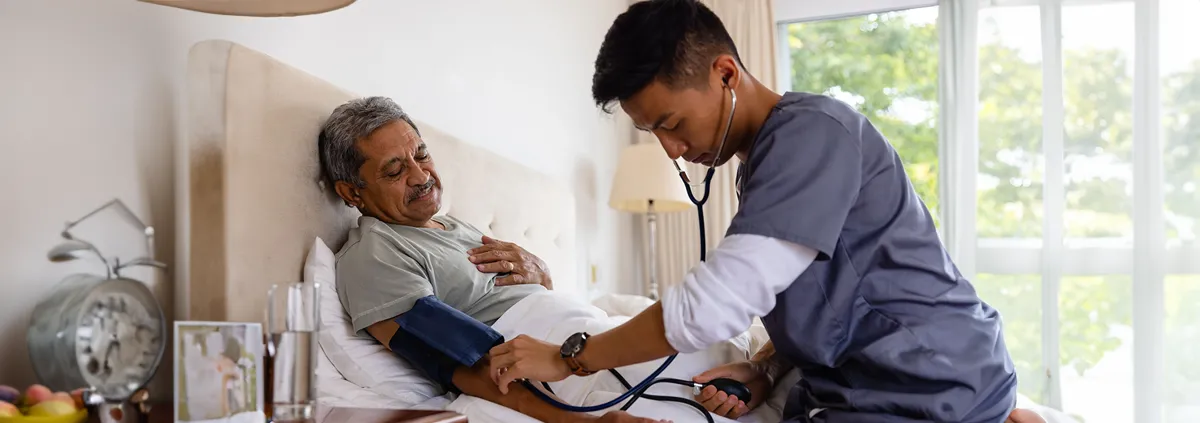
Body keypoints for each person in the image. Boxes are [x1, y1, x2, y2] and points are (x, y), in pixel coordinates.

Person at [485, 1, 1047, 422]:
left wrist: (572, 356)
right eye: (651, 132)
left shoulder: (812, 135)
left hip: (935, 385)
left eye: (672, 124)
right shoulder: (766, 161)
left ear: (725, 74)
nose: (671, 149)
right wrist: (764, 366)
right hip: (872, 387)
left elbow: (716, 302)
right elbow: (812, 297)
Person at [318, 96, 670, 423]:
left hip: (594, 338)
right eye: (395, 171)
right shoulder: (374, 254)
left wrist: (544, 277)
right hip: (561, 374)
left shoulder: (455, 226)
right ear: (352, 192)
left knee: (714, 364)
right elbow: (460, 358)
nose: (421, 176)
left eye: (422, 155)